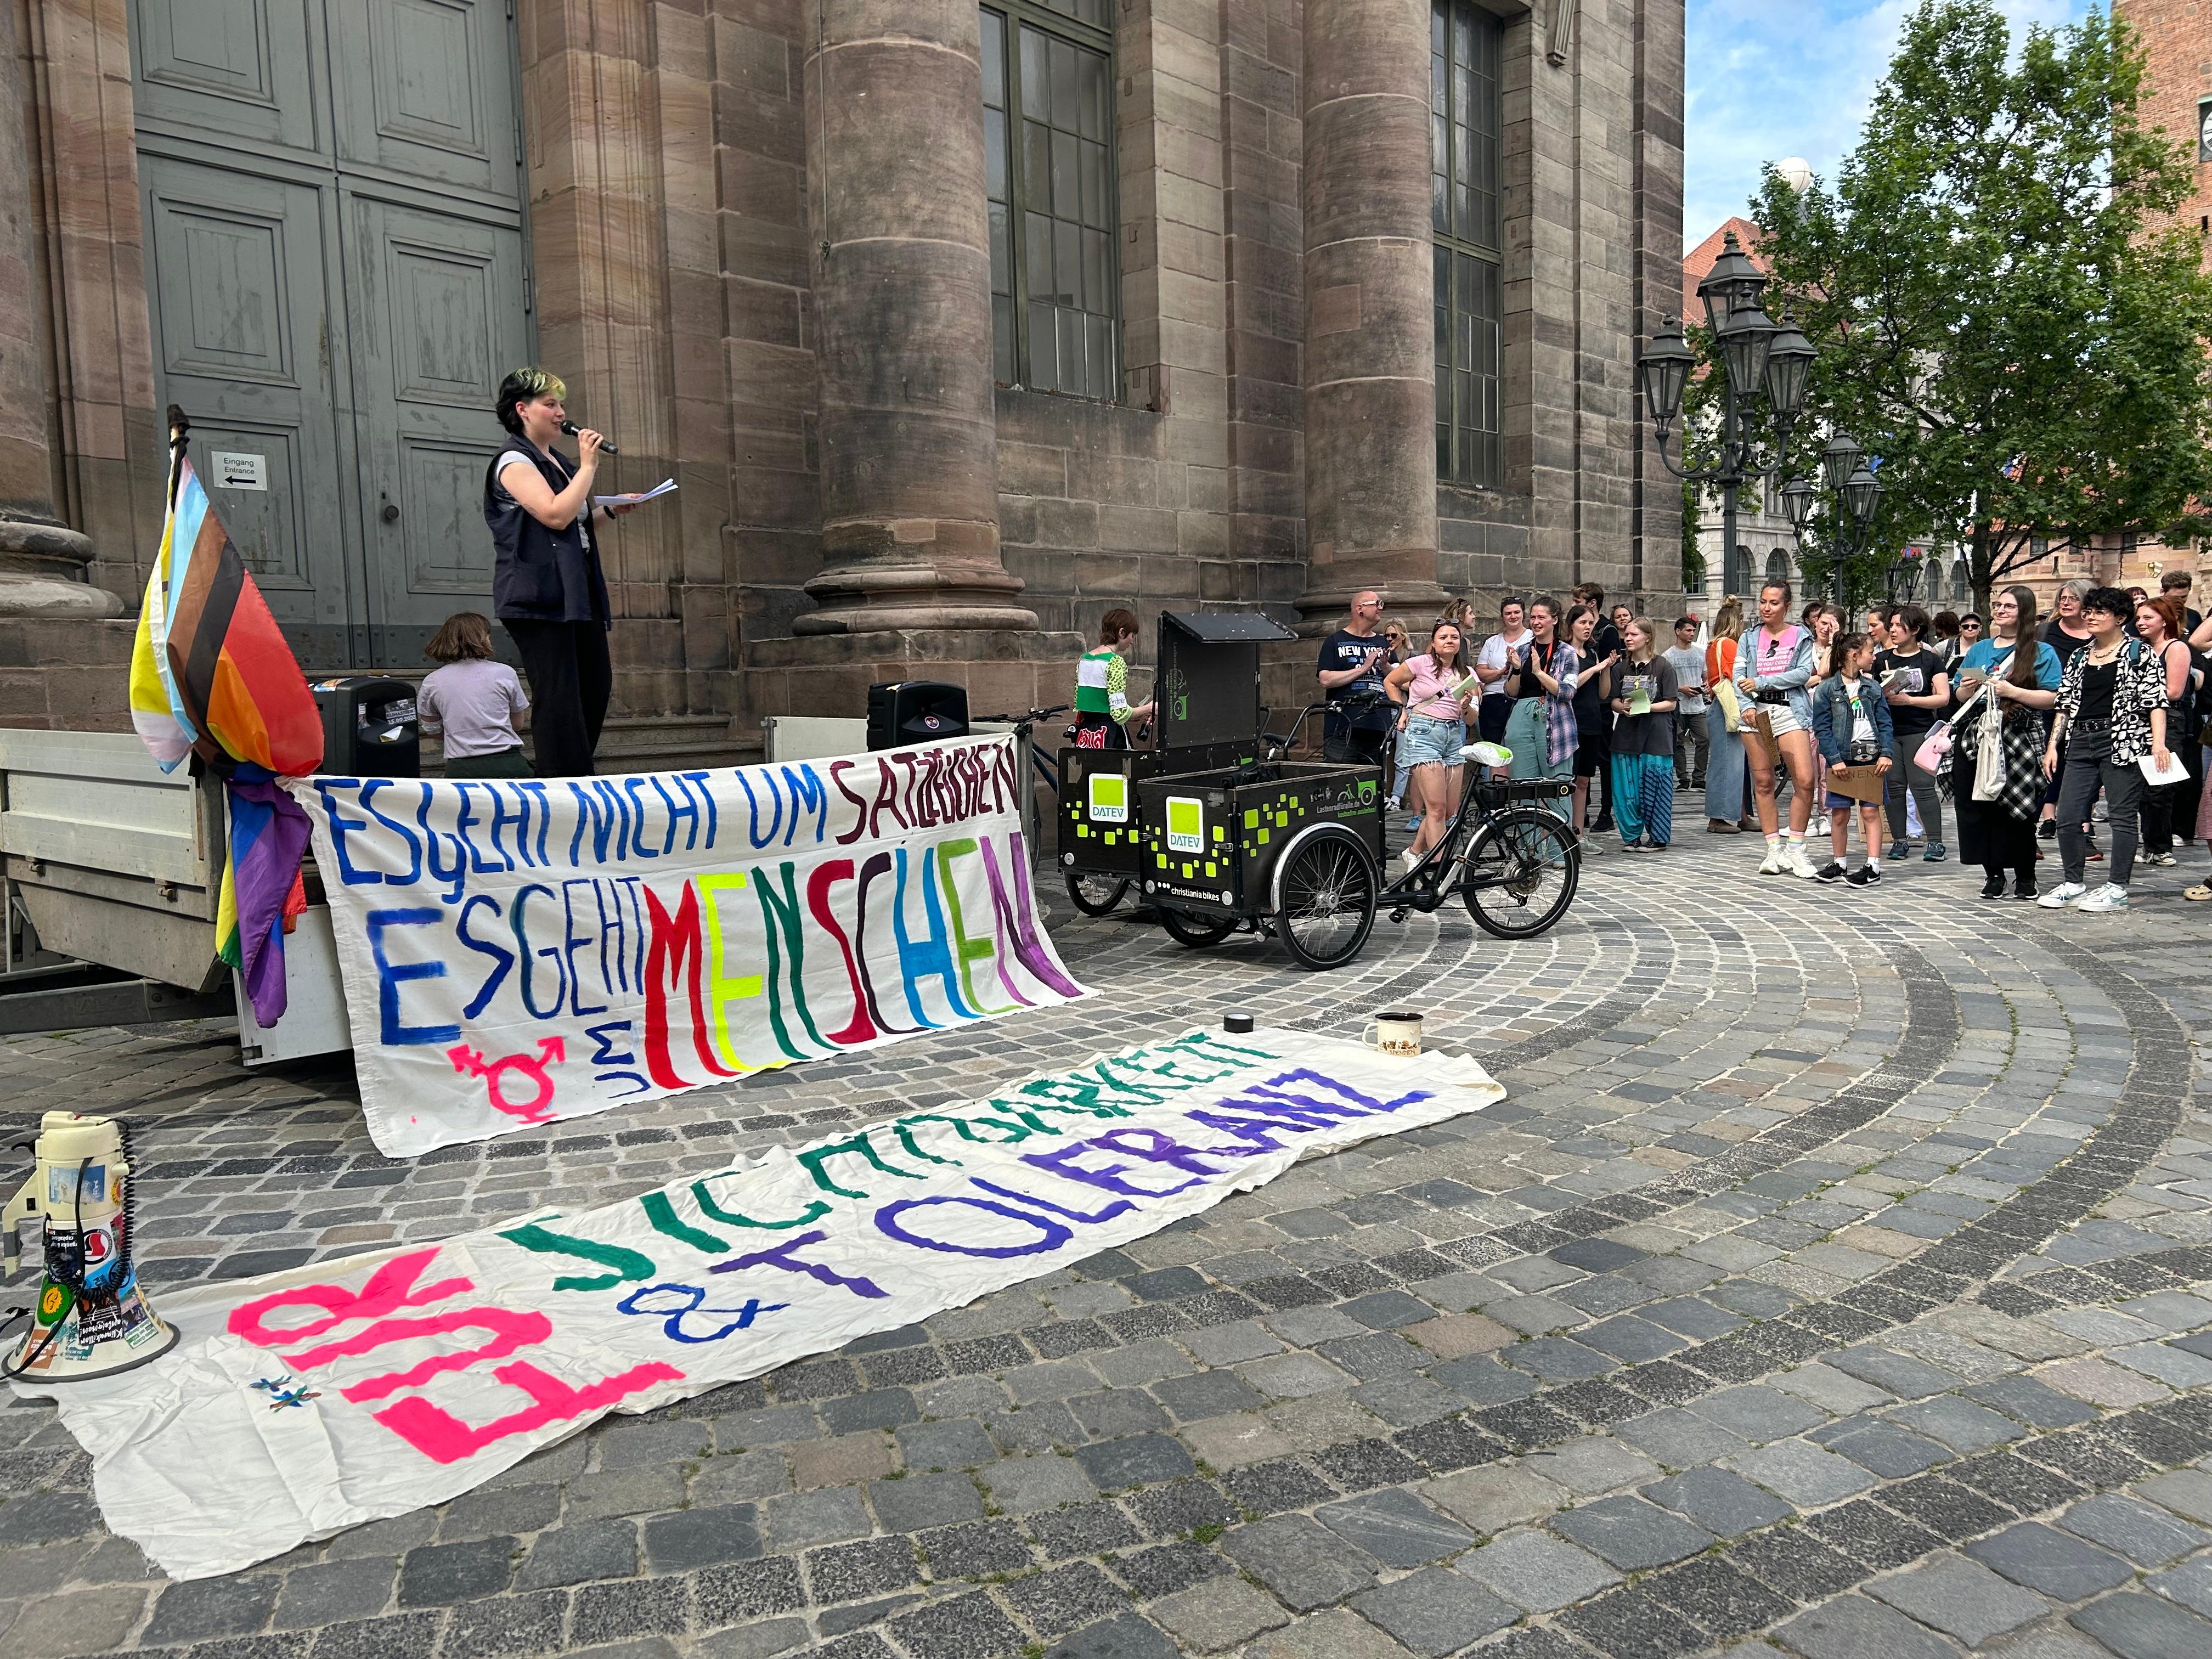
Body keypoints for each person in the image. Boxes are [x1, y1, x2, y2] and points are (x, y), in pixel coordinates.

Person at [487, 366, 638, 777]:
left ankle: (569, 772)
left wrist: (608, 510)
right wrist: (589, 467)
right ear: (523, 410)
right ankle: (563, 784)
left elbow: (576, 522)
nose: (561, 412)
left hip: (575, 591)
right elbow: (555, 515)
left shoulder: (558, 462)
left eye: (561, 404)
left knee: (595, 684)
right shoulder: (514, 461)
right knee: (558, 695)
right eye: (550, 404)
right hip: (537, 595)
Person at [2038, 586, 2170, 912]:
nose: (2091, 617)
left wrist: (2159, 743)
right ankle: (2073, 881)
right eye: (2089, 611)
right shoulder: (2081, 656)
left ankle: (2117, 887)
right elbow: (2065, 704)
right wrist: (2053, 745)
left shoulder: (2139, 653)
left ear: (2120, 618)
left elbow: (2156, 701)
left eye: (2100, 612)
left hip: (2123, 740)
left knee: (2123, 816)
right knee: (2068, 815)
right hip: (2081, 740)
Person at [1954, 585, 2062, 900]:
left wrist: (2013, 692)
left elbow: (2052, 697)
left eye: (2009, 607)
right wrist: (1970, 687)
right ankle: (1994, 873)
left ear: (2024, 612)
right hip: (1981, 735)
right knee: (1982, 805)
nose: (2000, 611)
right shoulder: (1980, 649)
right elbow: (1960, 694)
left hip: (2020, 735)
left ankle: (2026, 874)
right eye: (1998, 606)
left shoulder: (2041, 652)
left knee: (2021, 807)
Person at [1735, 579, 1821, 877]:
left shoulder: (1800, 636)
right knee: (1763, 784)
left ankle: (1796, 848)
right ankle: (1773, 850)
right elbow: (1738, 675)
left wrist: (1762, 683)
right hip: (1756, 714)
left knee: (1806, 781)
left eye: (1773, 603)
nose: (1766, 608)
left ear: (1787, 606)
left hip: (1790, 711)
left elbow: (1802, 674)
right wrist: (1745, 704)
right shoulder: (1749, 637)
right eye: (1763, 602)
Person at [1386, 619, 1479, 867]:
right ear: (1434, 643)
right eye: (1443, 637)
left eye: (1454, 637)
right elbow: (1391, 682)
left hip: (1454, 736)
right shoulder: (1419, 664)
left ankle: (1414, 851)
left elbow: (1471, 719)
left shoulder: (1468, 674)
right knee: (1436, 808)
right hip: (1424, 733)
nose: (1449, 641)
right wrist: (1401, 711)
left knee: (1448, 811)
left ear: (1460, 643)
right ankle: (1440, 867)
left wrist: (1467, 705)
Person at [1810, 631, 1895, 885]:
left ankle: (1873, 866)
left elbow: (1885, 723)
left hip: (1871, 757)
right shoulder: (1826, 689)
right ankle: (1840, 863)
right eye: (1871, 652)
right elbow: (1822, 728)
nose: (1874, 656)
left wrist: (1887, 753)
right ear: (1854, 655)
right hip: (1842, 759)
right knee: (1839, 813)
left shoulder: (1873, 687)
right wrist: (1834, 759)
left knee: (1871, 811)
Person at [1877, 603, 1950, 862]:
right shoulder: (1881, 659)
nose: (1893, 630)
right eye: (1892, 625)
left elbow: (1943, 697)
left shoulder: (1930, 659)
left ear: (1916, 630)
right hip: (1889, 732)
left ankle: (1936, 842)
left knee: (1922, 787)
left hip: (1920, 731)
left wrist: (1910, 701)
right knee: (1894, 788)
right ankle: (1899, 840)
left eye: (1900, 626)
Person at [420, 612, 531, 778]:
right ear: (483, 639)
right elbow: (517, 724)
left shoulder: (432, 681)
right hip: (507, 763)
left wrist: (462, 736)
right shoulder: (505, 672)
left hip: (461, 767)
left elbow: (432, 729)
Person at [2133, 593, 2196, 868]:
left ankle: (2160, 846)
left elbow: (2174, 691)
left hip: (2169, 721)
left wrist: (2136, 693)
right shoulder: (2140, 650)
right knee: (2143, 789)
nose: (2141, 623)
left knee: (2160, 786)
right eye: (2138, 618)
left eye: (2148, 617)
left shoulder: (2176, 648)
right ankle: (2150, 844)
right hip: (2141, 720)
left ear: (2165, 621)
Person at [1504, 595, 1581, 813]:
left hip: (1555, 718)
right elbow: (1510, 693)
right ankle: (1530, 847)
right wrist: (1518, 669)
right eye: (1533, 617)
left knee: (1557, 791)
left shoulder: (1567, 653)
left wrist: (1539, 673)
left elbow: (1567, 692)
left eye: (1542, 618)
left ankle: (1559, 848)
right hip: (1522, 717)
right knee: (1525, 790)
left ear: (1555, 620)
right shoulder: (1522, 650)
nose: (1536, 622)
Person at [1609, 617, 1679, 850]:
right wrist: (1623, 708)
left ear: (1647, 638)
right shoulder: (1620, 668)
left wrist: (1646, 707)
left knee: (1656, 787)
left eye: (1634, 635)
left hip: (1656, 735)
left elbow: (1671, 703)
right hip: (1627, 734)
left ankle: (1658, 837)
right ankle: (1631, 836)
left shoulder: (1663, 666)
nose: (1628, 638)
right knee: (1626, 789)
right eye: (1626, 635)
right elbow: (1614, 701)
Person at [2039, 578, 2098, 847]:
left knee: (2086, 768)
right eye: (2063, 598)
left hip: (2091, 710)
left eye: (2073, 598)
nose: (2066, 603)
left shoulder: (2098, 633)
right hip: (2052, 708)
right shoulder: (2045, 633)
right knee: (2052, 763)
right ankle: (2049, 817)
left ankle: (2082, 822)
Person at [1317, 590, 1393, 764]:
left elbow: (1398, 679)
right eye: (1376, 603)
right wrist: (1364, 668)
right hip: (1342, 726)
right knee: (1341, 782)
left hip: (1377, 726)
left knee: (1372, 784)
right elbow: (1326, 679)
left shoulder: (1383, 642)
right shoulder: (1334, 641)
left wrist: (1384, 665)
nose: (1380, 608)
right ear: (1360, 609)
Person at [1573, 584, 1624, 832]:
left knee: (1603, 759)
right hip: (1579, 705)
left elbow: (1608, 668)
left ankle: (1606, 811)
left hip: (1600, 704)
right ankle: (1579, 813)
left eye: (1578, 600)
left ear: (1592, 604)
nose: (1573, 603)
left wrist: (1602, 668)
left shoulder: (1607, 630)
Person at [1563, 605, 1616, 843]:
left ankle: (1579, 834)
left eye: (1591, 623)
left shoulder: (1593, 653)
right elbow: (1569, 686)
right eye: (1583, 622)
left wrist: (1605, 670)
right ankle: (1562, 833)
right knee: (1566, 780)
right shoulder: (1563, 652)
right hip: (1570, 722)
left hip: (1592, 720)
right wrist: (1595, 668)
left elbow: (1604, 694)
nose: (1587, 627)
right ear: (1572, 624)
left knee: (1584, 780)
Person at [1703, 597, 1755, 834]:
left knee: (1732, 764)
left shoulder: (1713, 645)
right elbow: (1737, 676)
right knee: (1728, 764)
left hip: (1719, 706)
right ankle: (1719, 818)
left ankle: (1739, 814)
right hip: (1729, 708)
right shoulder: (1730, 645)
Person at [1074, 609, 1154, 748]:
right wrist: (1149, 708)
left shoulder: (1083, 660)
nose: (1132, 641)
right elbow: (1120, 714)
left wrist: (1133, 713)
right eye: (1132, 635)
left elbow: (1081, 702)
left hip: (1086, 735)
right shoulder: (1115, 662)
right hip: (1108, 735)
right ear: (1121, 633)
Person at [1474, 597, 1532, 761]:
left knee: (1517, 747)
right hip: (1493, 699)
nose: (1513, 616)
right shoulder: (1492, 642)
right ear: (1502, 617)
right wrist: (1503, 671)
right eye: (1508, 613)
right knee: (1493, 749)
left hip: (1521, 699)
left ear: (1523, 614)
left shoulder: (1531, 638)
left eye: (1516, 612)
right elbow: (1480, 672)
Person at [1664, 616, 1709, 789]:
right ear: (1678, 631)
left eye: (1693, 630)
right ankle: (1683, 779)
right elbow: (1665, 683)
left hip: (1698, 705)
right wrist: (1680, 688)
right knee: (1677, 743)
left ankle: (1699, 778)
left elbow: (1706, 677)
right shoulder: (1668, 656)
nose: (1692, 633)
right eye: (1688, 630)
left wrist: (1705, 686)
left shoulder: (1700, 653)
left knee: (1704, 740)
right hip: (1678, 706)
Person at [1380, 619, 1418, 813]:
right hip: (1386, 708)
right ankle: (1382, 795)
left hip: (1407, 707)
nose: (1389, 639)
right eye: (1386, 635)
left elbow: (1413, 687)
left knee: (1402, 755)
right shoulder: (1383, 656)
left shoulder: (1413, 657)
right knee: (1382, 751)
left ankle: (1396, 797)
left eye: (1393, 635)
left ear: (1403, 635)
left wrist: (1391, 675)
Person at [2160, 568, 2202, 636]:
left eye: (2183, 597)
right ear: (2162, 592)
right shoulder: (2149, 613)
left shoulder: (2194, 617)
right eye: (2175, 597)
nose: (2179, 601)